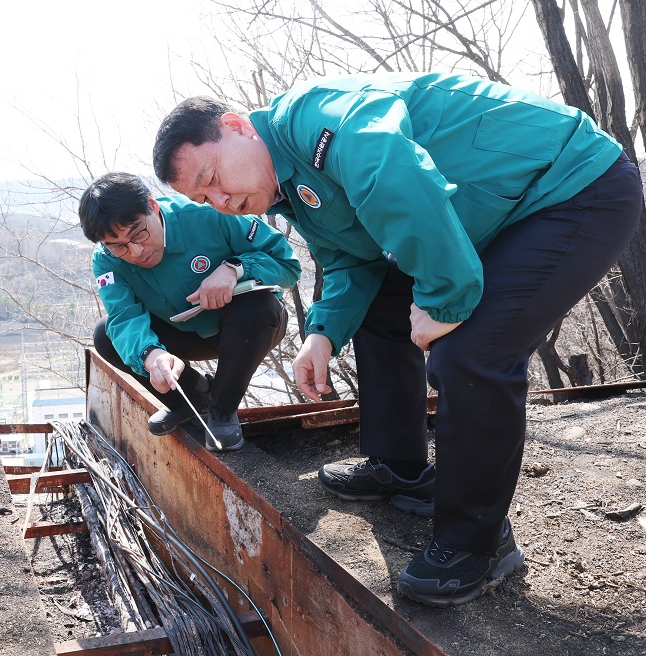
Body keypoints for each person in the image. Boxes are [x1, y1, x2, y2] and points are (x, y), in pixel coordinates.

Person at [152, 73, 643, 605]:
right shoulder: (288, 189)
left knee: (472, 352)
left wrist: (444, 300)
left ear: (236, 127)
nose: (221, 200)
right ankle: (401, 465)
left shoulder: (315, 118)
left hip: (573, 186)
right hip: (499, 216)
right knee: (380, 300)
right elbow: (350, 259)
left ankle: (475, 543)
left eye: (213, 177)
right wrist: (321, 332)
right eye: (204, 197)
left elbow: (390, 170)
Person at [78, 172, 301, 451]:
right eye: (119, 246)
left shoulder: (210, 215)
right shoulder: (106, 262)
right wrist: (151, 355)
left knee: (257, 308)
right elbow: (124, 317)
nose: (135, 252)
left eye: (139, 233)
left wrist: (236, 269)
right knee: (106, 335)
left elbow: (288, 266)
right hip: (185, 334)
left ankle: (222, 408)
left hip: (249, 327)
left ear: (153, 205)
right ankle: (192, 399)